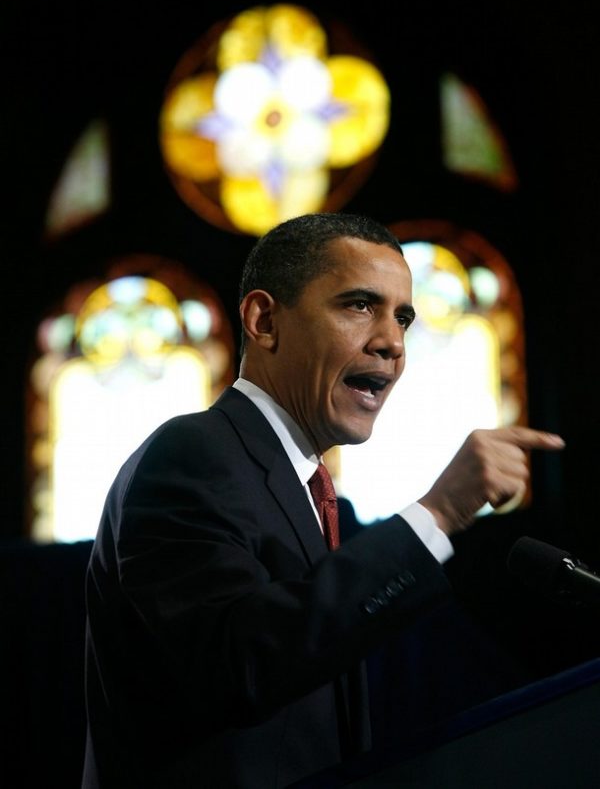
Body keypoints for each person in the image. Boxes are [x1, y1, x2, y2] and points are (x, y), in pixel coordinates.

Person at [81, 212, 564, 789]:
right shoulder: (193, 455)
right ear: (264, 320)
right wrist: (438, 512)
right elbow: (241, 666)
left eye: (403, 318)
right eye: (359, 305)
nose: (392, 342)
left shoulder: (307, 489)